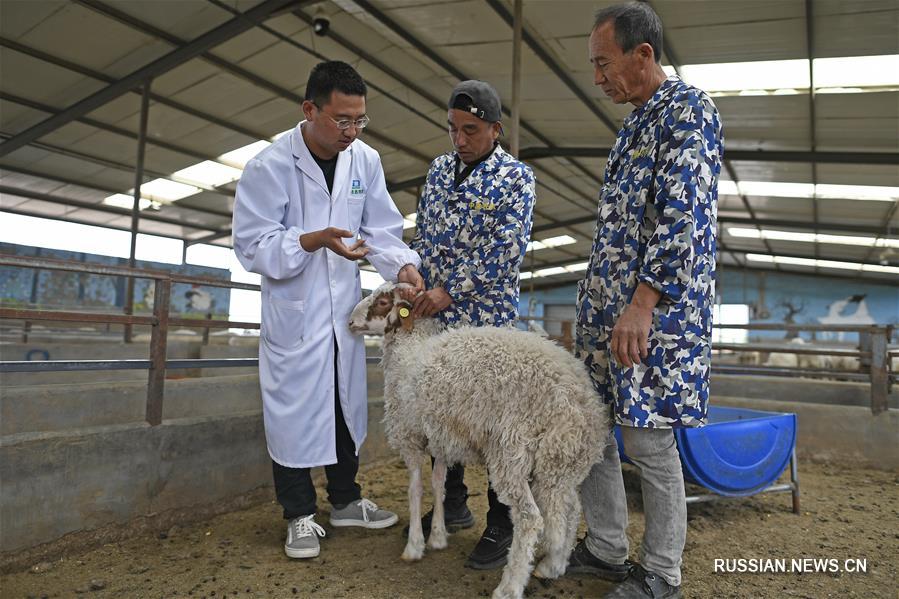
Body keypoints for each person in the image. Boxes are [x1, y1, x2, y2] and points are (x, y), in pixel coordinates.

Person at [232, 60, 424, 560]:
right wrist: (309, 240)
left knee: (344, 405)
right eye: (342, 120)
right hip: (296, 315)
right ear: (309, 109)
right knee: (293, 413)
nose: (352, 131)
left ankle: (345, 500)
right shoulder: (269, 166)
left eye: (360, 120)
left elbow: (381, 228)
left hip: (344, 312)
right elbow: (252, 246)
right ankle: (298, 514)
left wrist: (402, 265)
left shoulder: (365, 160)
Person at [568, 3, 723, 599]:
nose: (599, 78)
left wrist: (643, 302)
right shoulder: (635, 124)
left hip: (652, 315)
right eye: (594, 66)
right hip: (608, 313)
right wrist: (597, 310)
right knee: (593, 427)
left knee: (649, 438)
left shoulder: (688, 111)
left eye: (605, 64)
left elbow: (684, 218)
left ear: (644, 55)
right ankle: (607, 548)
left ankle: (660, 572)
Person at [407, 79, 536, 570]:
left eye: (470, 130)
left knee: (493, 425)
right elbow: (424, 232)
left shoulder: (516, 178)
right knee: (443, 417)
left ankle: (501, 523)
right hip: (436, 322)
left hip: (486, 323)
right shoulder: (439, 170)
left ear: (495, 130)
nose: (459, 140)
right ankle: (453, 505)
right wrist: (416, 273)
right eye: (452, 129)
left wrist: (450, 290)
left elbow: (507, 250)